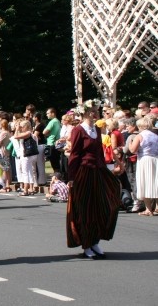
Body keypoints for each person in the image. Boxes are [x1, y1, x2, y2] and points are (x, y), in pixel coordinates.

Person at [67, 103, 120, 259]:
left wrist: (106, 170)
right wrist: (71, 177)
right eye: (92, 111)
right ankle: (86, 244)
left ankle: (95, 241)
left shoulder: (97, 129)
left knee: (101, 206)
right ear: (84, 113)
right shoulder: (78, 130)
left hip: (97, 171)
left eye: (96, 111)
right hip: (83, 172)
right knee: (85, 208)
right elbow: (74, 155)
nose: (95, 113)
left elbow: (100, 153)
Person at [128, 117, 158, 216]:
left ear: (140, 126)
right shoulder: (155, 136)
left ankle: (148, 209)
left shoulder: (139, 136)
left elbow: (133, 150)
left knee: (144, 182)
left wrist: (130, 144)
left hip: (144, 160)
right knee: (155, 183)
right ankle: (157, 207)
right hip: (155, 160)